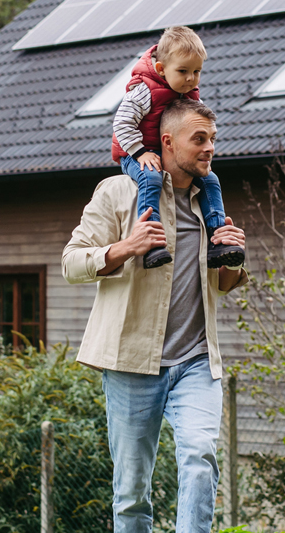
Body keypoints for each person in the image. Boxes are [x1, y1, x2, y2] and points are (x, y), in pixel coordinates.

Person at [64, 98, 248, 533]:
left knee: (201, 458)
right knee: (131, 495)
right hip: (132, 364)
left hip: (197, 361)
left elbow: (224, 284)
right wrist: (125, 247)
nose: (209, 149)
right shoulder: (117, 192)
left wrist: (234, 255)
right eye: (198, 139)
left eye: (213, 140)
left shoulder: (210, 202)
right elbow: (71, 263)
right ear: (167, 142)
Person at [111, 26, 243, 270]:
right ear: (161, 69)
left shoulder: (189, 93)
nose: (191, 78)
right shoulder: (144, 90)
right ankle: (152, 241)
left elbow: (202, 123)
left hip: (162, 151)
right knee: (151, 178)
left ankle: (217, 238)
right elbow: (121, 123)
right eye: (183, 71)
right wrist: (140, 152)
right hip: (133, 151)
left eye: (197, 71)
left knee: (210, 180)